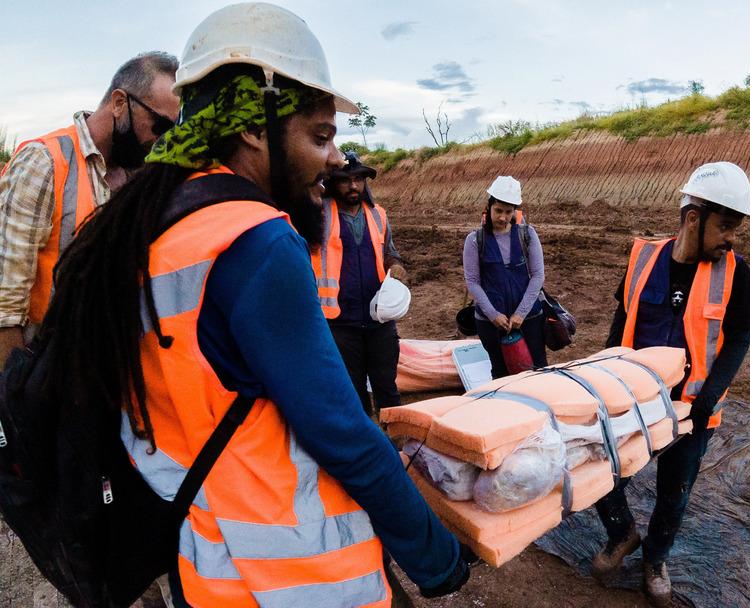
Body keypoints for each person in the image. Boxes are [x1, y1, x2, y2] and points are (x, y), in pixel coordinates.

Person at [41, 4, 469, 606]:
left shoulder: (155, 225)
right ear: (252, 128)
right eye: (320, 135)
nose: (333, 158)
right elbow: (342, 431)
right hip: (293, 576)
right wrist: (436, 555)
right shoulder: (253, 239)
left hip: (202, 557)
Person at [592, 162, 750, 607]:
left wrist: (710, 395)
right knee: (602, 474)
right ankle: (623, 533)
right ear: (693, 218)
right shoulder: (644, 258)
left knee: (675, 492)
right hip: (633, 402)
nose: (731, 238)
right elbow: (622, 317)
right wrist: (602, 376)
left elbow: (740, 335)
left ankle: (656, 560)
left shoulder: (735, 273)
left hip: (691, 410)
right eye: (725, 226)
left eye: (735, 228)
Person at [0, 51, 179, 361]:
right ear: (120, 102)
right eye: (159, 124)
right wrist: (15, 395)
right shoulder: (44, 162)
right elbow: (5, 304)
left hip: (96, 375)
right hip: (40, 372)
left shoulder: (141, 176)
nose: (161, 139)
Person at [314, 151, 407, 418]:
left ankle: (396, 449)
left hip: (379, 320)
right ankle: (366, 449)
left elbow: (390, 252)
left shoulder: (378, 215)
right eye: (345, 180)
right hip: (338, 322)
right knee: (353, 394)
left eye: (358, 179)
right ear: (333, 182)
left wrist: (396, 266)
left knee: (387, 389)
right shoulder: (319, 214)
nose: (353, 186)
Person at [462, 175, 547, 378]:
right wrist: (493, 315)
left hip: (529, 319)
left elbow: (537, 276)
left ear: (515, 212)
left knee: (538, 370)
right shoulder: (475, 240)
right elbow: (472, 282)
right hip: (490, 323)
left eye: (508, 212)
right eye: (498, 211)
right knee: (500, 373)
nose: (502, 217)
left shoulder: (527, 234)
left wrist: (521, 313)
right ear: (489, 207)